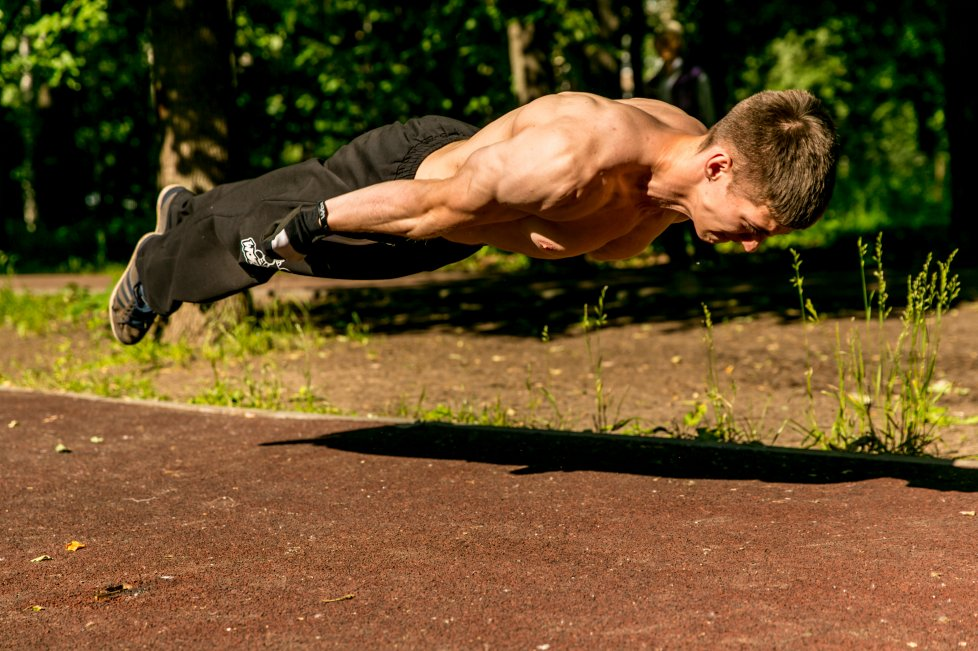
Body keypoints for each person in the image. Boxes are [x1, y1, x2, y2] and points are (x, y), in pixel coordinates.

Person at [109, 88, 838, 345]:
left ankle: (191, 209)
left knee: (268, 221)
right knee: (261, 247)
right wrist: (314, 223)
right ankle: (154, 271)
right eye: (752, 225)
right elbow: (431, 204)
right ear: (719, 167)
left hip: (456, 225)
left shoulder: (685, 174)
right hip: (407, 184)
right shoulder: (576, 157)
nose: (747, 245)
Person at [647, 20, 719, 267]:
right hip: (663, 148)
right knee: (666, 198)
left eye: (668, 39)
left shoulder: (696, 75)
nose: (664, 45)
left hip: (693, 145)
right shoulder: (656, 79)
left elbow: (707, 111)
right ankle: (676, 256)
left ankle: (705, 254)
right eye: (660, 40)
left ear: (679, 42)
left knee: (694, 197)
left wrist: (709, 142)